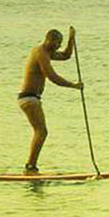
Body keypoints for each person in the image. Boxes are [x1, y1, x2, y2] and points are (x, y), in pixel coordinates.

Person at [16, 27, 83, 174]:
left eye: (60, 43)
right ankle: (30, 167)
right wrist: (73, 86)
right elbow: (52, 76)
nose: (58, 46)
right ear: (49, 40)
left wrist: (71, 38)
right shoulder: (40, 53)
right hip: (29, 98)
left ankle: (31, 166)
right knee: (41, 132)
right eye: (57, 43)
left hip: (33, 98)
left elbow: (66, 55)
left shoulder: (47, 53)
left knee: (41, 132)